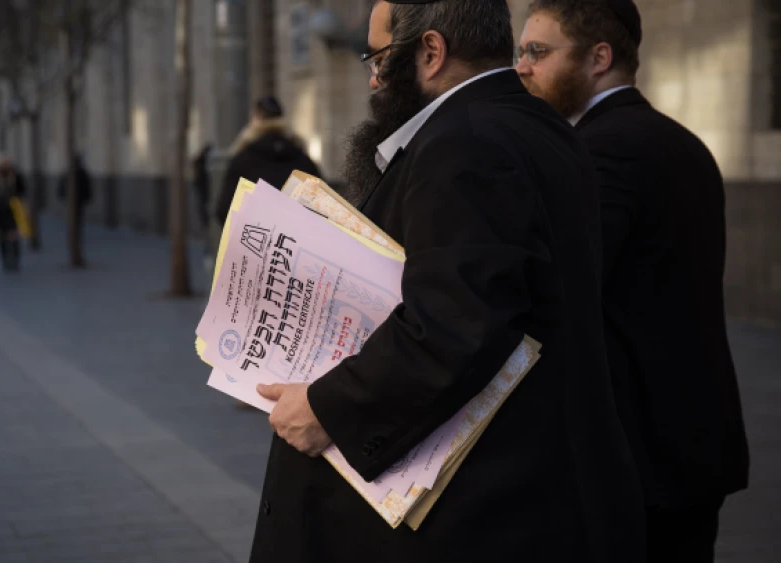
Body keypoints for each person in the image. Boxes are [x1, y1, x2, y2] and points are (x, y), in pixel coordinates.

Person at [249, 1, 645, 562]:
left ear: (430, 52)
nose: (372, 77)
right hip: (530, 493)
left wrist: (325, 410)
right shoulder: (538, 126)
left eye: (380, 58)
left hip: (475, 511)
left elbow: (453, 326)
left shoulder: (467, 143)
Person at [515, 1, 750, 560]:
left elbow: (562, 289)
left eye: (538, 52)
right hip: (683, 445)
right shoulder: (676, 141)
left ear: (600, 58)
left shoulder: (602, 149)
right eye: (521, 51)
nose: (521, 67)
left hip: (639, 457)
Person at [214, 96, 321, 226]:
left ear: (255, 119)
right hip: (297, 240)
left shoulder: (243, 159)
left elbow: (224, 210)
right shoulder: (304, 160)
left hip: (255, 238)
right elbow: (322, 207)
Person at [0, 155, 26, 271]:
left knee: (14, 237)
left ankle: (15, 260)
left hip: (13, 212)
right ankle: (5, 261)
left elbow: (22, 191)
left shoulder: (15, 177)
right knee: (2, 238)